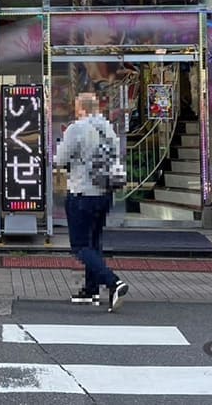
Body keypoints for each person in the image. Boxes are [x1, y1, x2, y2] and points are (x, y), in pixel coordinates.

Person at [54, 92, 129, 312]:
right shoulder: (108, 129)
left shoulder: (77, 128)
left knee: (80, 246)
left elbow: (60, 159)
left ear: (80, 108)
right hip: (104, 193)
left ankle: (113, 282)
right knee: (94, 243)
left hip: (82, 193)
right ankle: (91, 289)